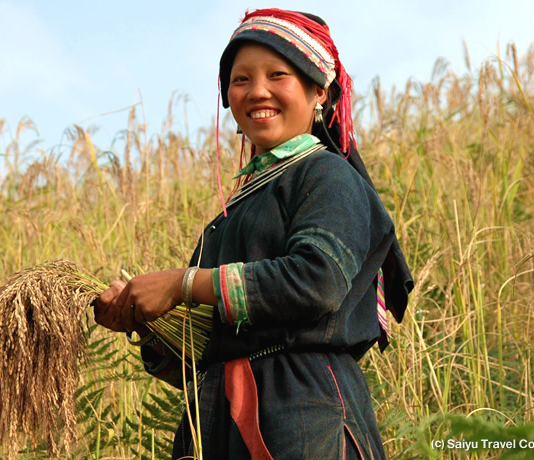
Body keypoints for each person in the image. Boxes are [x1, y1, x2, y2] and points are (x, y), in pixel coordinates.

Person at [94, 8, 414, 459]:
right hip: (216, 428)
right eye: (240, 80)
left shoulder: (327, 176)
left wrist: (182, 283)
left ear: (319, 90)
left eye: (277, 75)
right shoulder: (230, 213)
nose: (257, 90)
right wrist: (145, 326)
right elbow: (204, 357)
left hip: (302, 419)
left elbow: (316, 280)